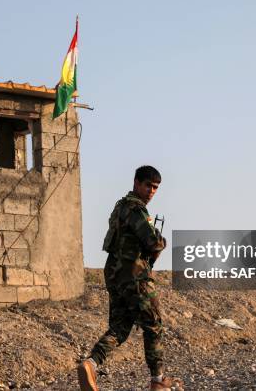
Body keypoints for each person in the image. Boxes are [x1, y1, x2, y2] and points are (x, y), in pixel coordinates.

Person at [78, 166, 179, 391]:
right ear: (136, 183)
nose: (151, 191)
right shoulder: (136, 209)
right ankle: (158, 380)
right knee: (153, 323)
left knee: (120, 327)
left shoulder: (119, 207)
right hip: (135, 275)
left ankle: (91, 363)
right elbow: (153, 242)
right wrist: (161, 241)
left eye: (155, 188)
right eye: (148, 185)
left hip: (114, 275)